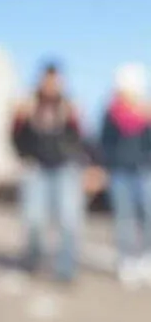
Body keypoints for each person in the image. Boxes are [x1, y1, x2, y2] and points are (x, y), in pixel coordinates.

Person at [11, 62, 87, 283]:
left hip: (65, 166)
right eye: (47, 80)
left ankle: (66, 268)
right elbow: (15, 138)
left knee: (69, 219)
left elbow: (80, 137)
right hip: (36, 167)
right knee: (33, 218)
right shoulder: (28, 105)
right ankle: (33, 260)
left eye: (55, 80)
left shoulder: (69, 106)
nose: (51, 85)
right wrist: (19, 119)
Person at [99, 63, 151, 289]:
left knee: (147, 215)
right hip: (119, 172)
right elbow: (104, 143)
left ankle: (145, 258)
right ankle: (126, 260)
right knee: (124, 218)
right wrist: (105, 166)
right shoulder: (111, 113)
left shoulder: (146, 114)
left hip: (143, 171)